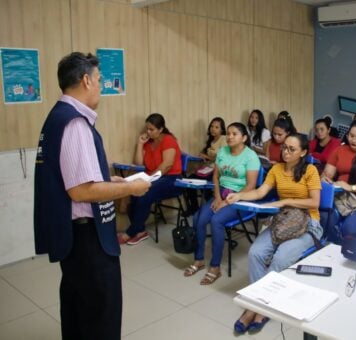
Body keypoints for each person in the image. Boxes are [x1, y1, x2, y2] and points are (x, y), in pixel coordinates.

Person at [34, 52, 151, 340]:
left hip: (75, 238)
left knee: (79, 309)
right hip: (87, 240)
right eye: (99, 80)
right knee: (101, 313)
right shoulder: (75, 123)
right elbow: (81, 190)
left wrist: (108, 180)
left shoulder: (58, 116)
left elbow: (75, 177)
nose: (101, 86)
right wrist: (130, 188)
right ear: (86, 80)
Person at [226, 133, 322, 334]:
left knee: (280, 258)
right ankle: (259, 304)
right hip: (283, 221)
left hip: (308, 223)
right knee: (255, 253)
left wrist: (285, 201)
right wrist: (240, 196)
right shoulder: (277, 169)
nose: (285, 152)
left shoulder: (310, 170)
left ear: (303, 152)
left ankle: (258, 308)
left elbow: (315, 202)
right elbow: (260, 192)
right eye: (284, 147)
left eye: (291, 149)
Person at [183, 122, 260, 285]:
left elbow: (251, 186)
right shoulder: (223, 152)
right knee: (199, 218)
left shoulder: (250, 156)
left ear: (244, 138)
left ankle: (215, 266)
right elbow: (216, 177)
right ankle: (199, 259)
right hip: (222, 194)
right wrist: (218, 198)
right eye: (229, 134)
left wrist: (227, 202)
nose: (230, 137)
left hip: (242, 198)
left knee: (216, 221)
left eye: (234, 134)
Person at [117, 113, 183, 245]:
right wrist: (140, 144)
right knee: (132, 190)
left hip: (172, 179)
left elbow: (167, 165)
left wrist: (148, 179)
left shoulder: (168, 140)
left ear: (161, 129)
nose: (148, 132)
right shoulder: (149, 143)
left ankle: (130, 232)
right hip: (152, 178)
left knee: (144, 193)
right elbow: (138, 164)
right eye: (147, 129)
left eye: (151, 129)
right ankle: (140, 231)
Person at [183, 117, 227, 216]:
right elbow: (207, 157)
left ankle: (211, 208)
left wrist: (206, 156)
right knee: (189, 180)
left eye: (216, 127)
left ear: (222, 130)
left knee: (205, 186)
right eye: (212, 126)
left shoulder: (223, 139)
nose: (213, 129)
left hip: (217, 171)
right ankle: (194, 207)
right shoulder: (210, 142)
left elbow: (222, 158)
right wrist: (203, 156)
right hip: (207, 169)